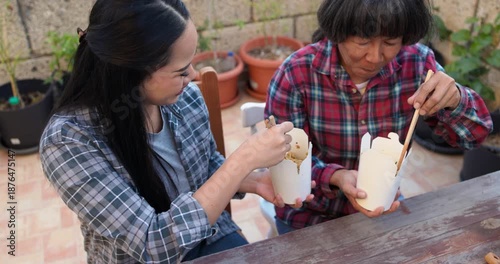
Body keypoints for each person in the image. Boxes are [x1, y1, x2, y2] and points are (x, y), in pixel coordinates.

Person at [39, 0, 314, 263]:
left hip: (211, 236)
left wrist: (254, 181)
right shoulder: (69, 142)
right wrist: (243, 159)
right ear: (129, 73)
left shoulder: (185, 100)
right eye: (181, 71)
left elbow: (206, 165)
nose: (193, 76)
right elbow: (151, 245)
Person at [265, 0, 493, 235]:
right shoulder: (296, 73)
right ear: (338, 31)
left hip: (383, 204)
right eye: (363, 41)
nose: (375, 57)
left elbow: (473, 138)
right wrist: (336, 176)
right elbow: (281, 159)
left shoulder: (417, 65)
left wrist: (456, 99)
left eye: (390, 42)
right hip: (310, 212)